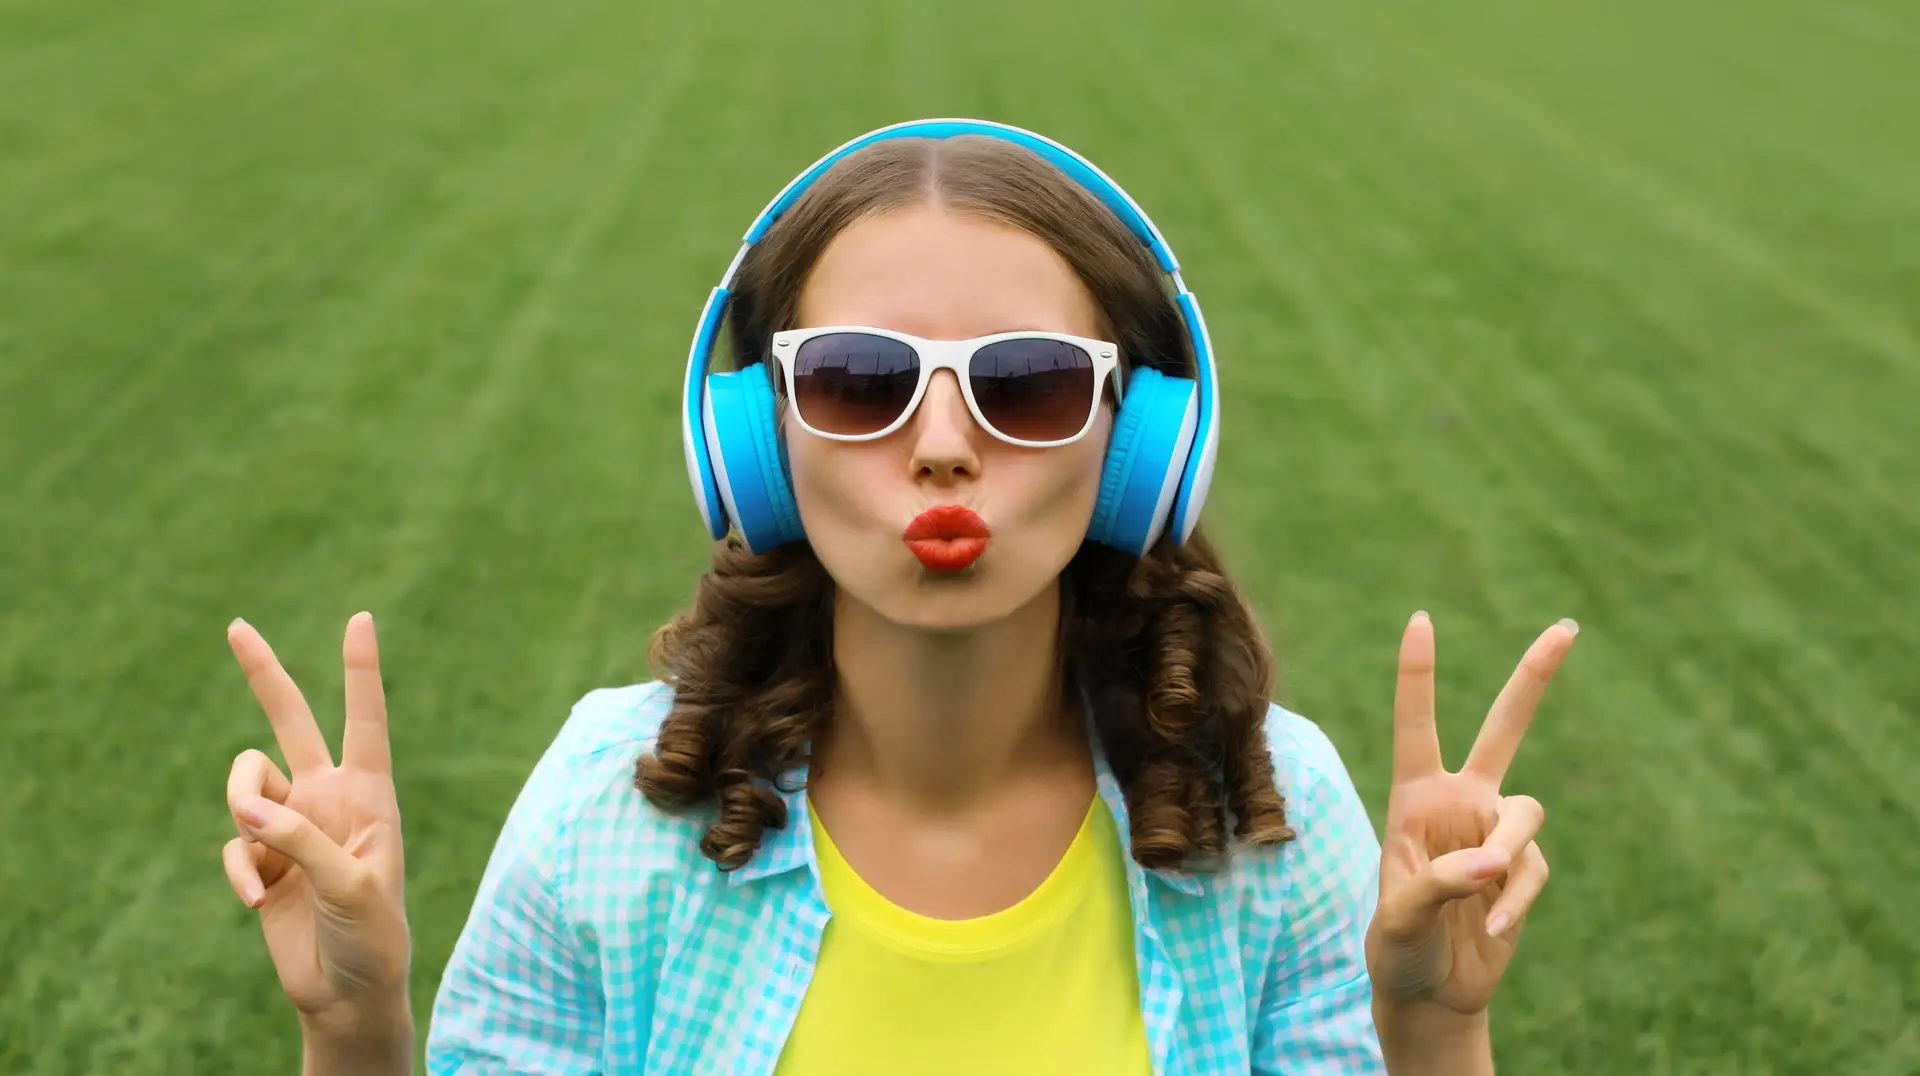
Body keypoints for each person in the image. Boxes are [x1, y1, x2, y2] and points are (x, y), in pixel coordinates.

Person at [217, 119, 1577, 1075]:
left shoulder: (1277, 819)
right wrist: (355, 1029)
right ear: (753, 439)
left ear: (1143, 446)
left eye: (1027, 383)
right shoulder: (603, 813)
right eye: (858, 380)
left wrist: (1435, 1031)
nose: (941, 446)